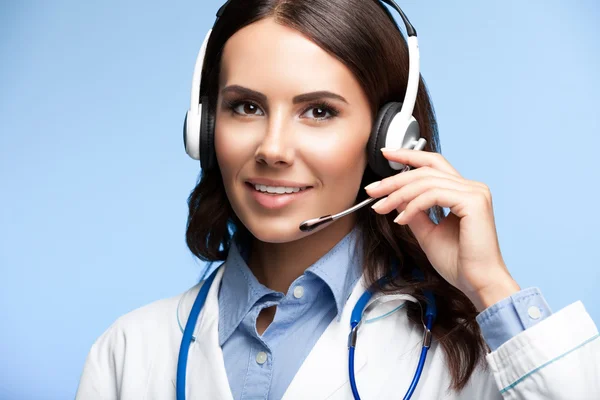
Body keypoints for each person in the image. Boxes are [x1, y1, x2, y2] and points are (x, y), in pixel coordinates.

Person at [75, 0, 600, 399]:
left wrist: (490, 285)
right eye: (246, 107)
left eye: (319, 111)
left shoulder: (464, 354)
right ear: (205, 126)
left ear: (389, 137)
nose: (273, 149)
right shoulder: (129, 351)